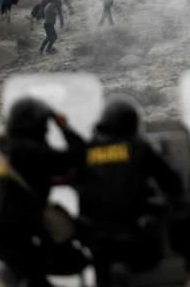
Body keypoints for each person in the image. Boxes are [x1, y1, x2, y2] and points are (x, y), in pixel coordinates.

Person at [0, 98, 87, 285]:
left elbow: (19, 181)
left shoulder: (1, 150)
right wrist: (63, 126)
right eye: (45, 124)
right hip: (23, 234)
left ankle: (15, 275)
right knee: (76, 240)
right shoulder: (30, 150)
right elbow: (79, 156)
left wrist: (48, 182)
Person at [78, 98, 183, 286]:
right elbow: (171, 183)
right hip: (135, 244)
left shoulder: (85, 151)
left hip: (98, 245)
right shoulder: (138, 147)